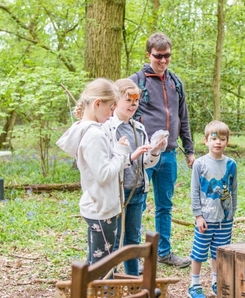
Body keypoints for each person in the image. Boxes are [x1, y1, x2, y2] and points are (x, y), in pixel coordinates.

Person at [129, 32, 195, 268]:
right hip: (143, 155)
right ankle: (132, 256)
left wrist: (189, 150)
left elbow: (182, 118)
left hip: (168, 155)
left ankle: (164, 252)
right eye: (158, 56)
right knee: (137, 203)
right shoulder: (135, 82)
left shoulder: (175, 82)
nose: (163, 61)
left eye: (167, 56)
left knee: (165, 206)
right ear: (148, 55)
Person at [56, 78, 130, 265]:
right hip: (102, 210)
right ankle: (103, 293)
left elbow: (99, 164)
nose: (113, 113)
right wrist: (121, 153)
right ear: (98, 103)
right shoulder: (94, 135)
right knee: (103, 267)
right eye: (111, 108)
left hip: (97, 206)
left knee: (96, 262)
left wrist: (115, 152)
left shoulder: (86, 129)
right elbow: (103, 175)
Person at [102, 78, 166, 276]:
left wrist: (155, 151)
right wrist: (131, 155)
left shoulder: (138, 128)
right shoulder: (107, 129)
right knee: (113, 241)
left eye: (136, 100)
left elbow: (146, 162)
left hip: (138, 192)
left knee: (133, 240)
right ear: (116, 101)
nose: (133, 104)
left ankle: (132, 280)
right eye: (128, 99)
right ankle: (108, 283)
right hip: (117, 194)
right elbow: (111, 163)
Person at [188, 120, 237, 298]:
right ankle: (194, 284)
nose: (218, 142)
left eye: (222, 139)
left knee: (219, 252)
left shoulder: (231, 164)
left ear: (227, 141)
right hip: (206, 218)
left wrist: (231, 213)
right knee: (199, 252)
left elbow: (234, 189)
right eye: (214, 138)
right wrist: (198, 215)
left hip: (224, 219)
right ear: (206, 140)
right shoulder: (199, 164)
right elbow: (194, 191)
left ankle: (217, 281)